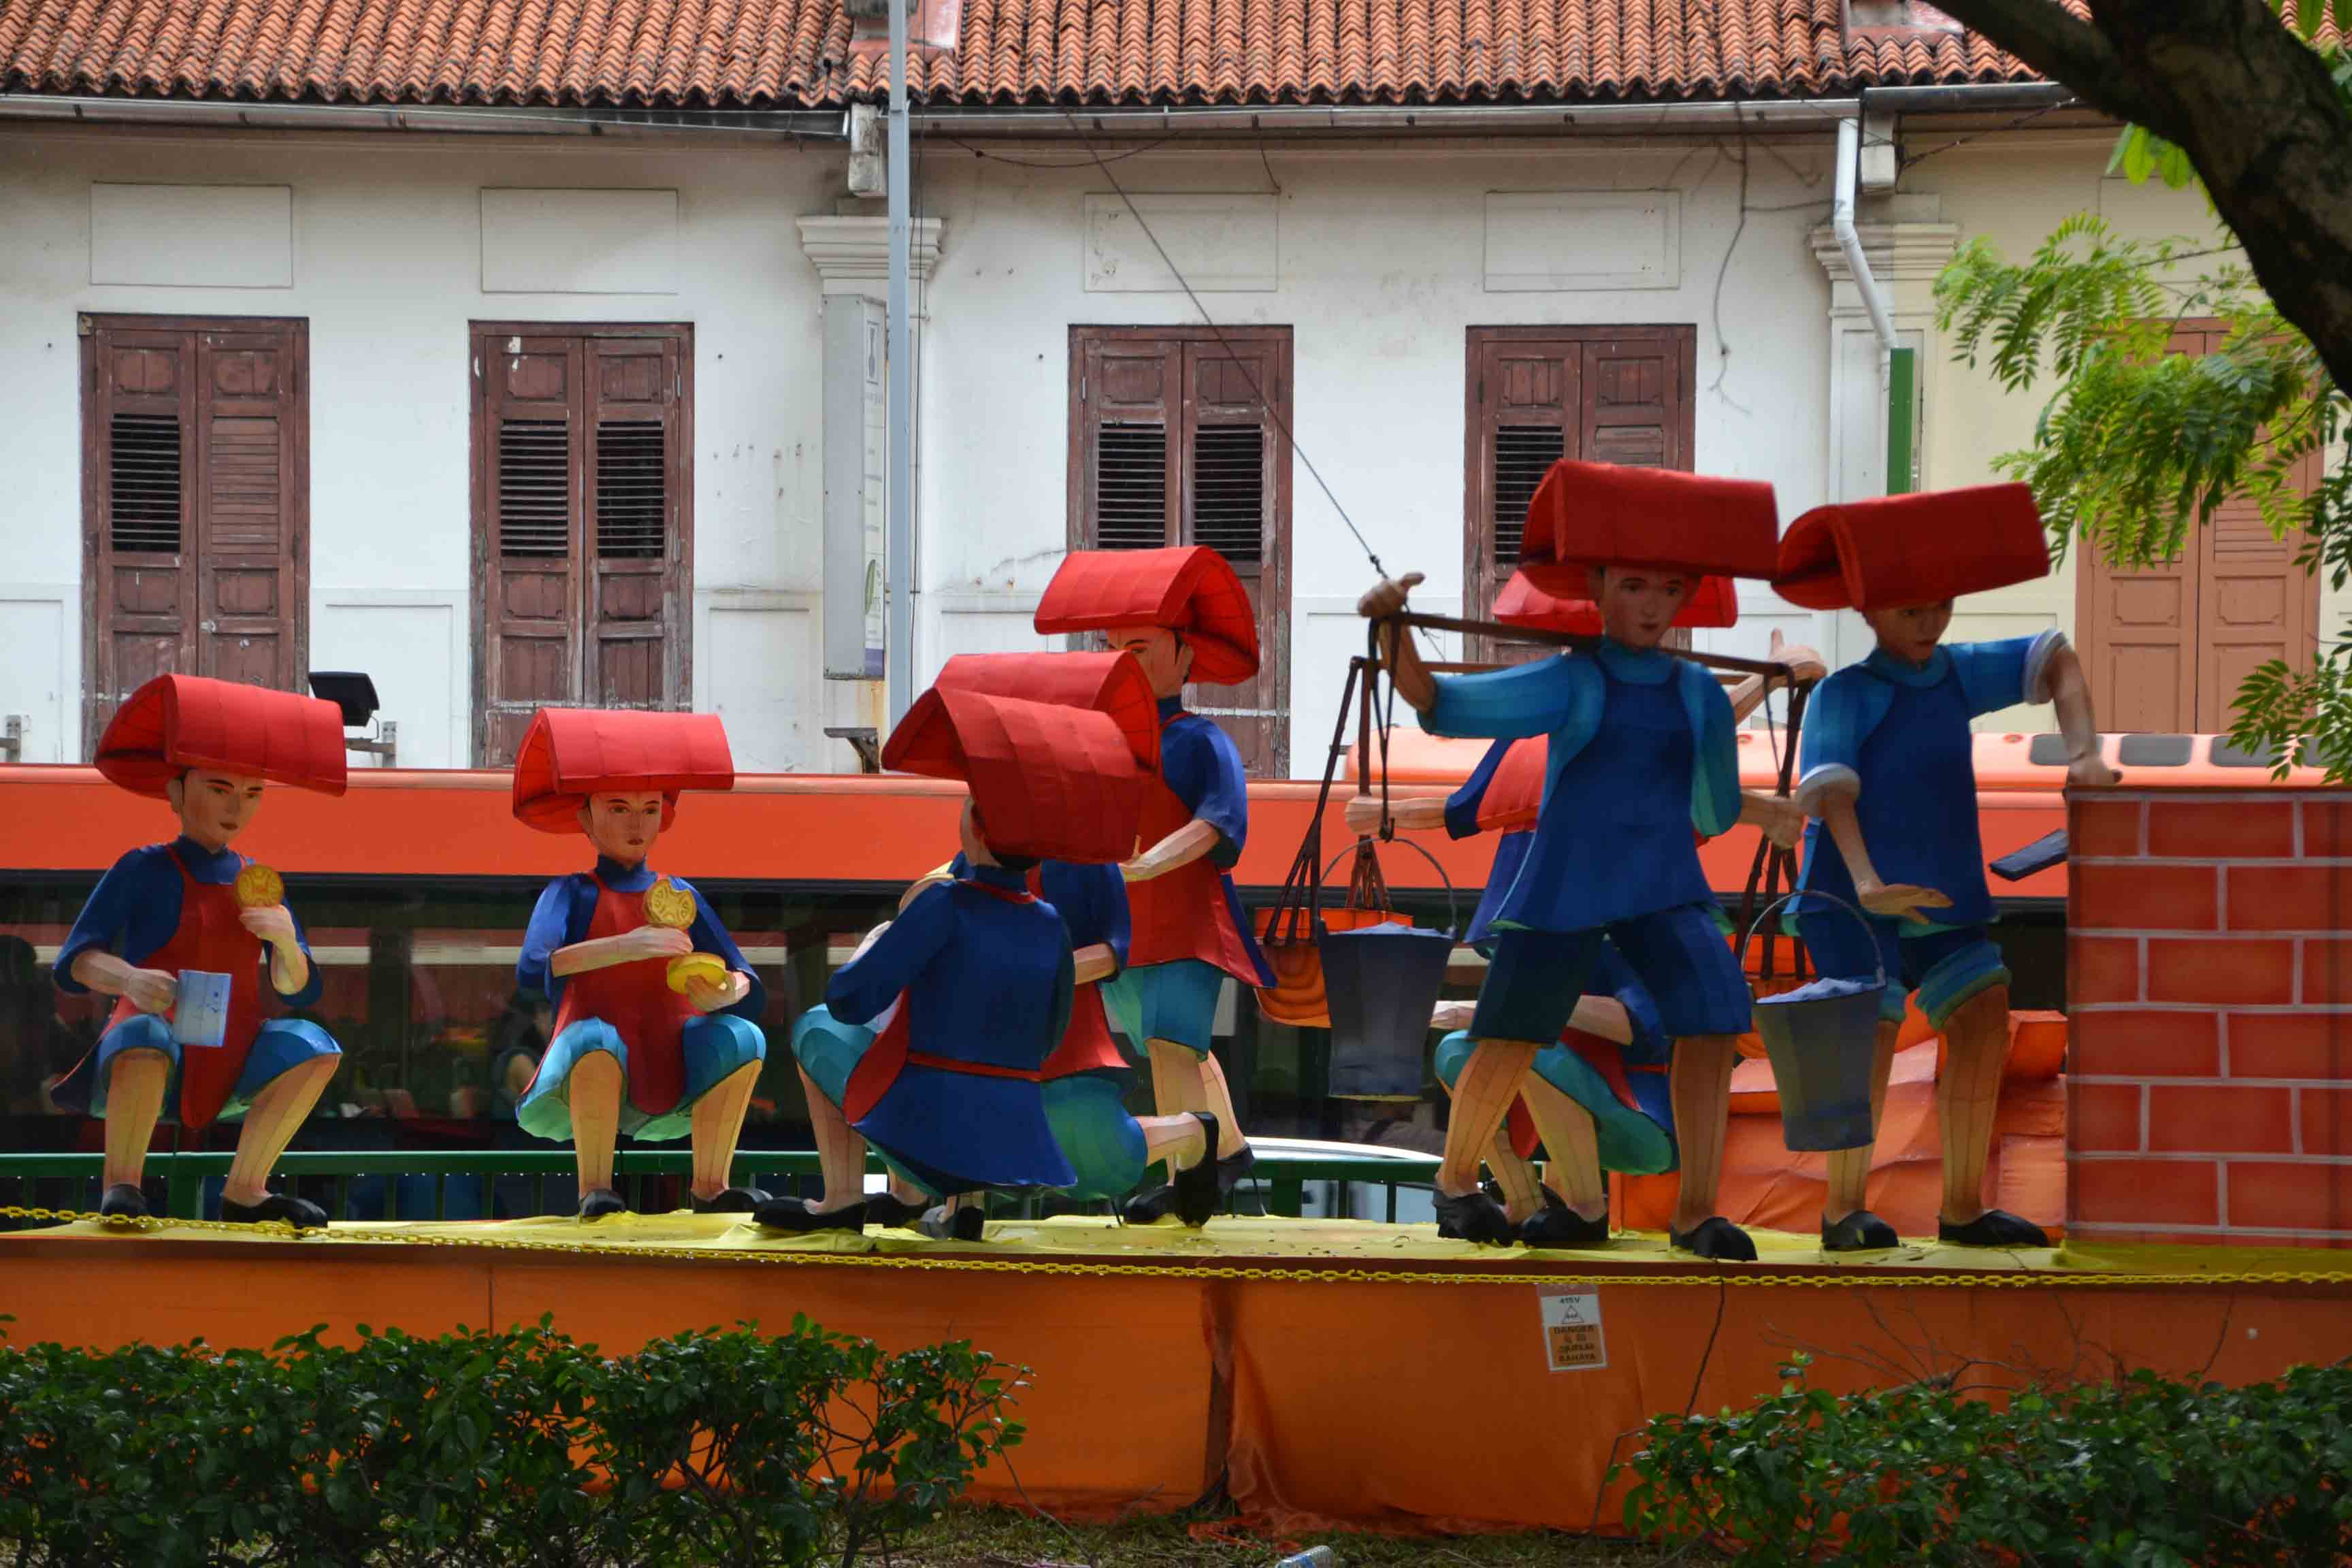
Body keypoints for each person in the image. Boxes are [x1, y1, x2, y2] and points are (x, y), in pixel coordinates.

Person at [1358, 460, 1782, 1256]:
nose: (1650, 605)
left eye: (1667, 589)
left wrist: (1756, 803)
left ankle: (1696, 1211)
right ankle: (1456, 1183)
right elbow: (1441, 706)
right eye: (1633, 586)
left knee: (1717, 1011)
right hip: (1567, 885)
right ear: (1598, 587)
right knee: (1511, 1028)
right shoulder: (1573, 681)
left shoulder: (1698, 693)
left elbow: (1713, 812)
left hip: (1663, 885)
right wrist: (1394, 630)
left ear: (1687, 594)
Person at [1776, 483, 2119, 1250]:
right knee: (1866, 1031)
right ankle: (1843, 1211)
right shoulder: (1846, 692)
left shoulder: (1956, 674)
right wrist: (1868, 885)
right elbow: (1831, 794)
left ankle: (1963, 1208)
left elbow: (2055, 656)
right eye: (1910, 611)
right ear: (1869, 612)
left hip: (1940, 890)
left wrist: (2085, 753)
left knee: (1983, 1015)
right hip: (1852, 895)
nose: (1929, 623)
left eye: (1940, 606)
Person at [760, 679, 1215, 1238]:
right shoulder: (1046, 924)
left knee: (817, 1030)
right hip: (1019, 1129)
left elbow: (849, 1000)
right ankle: (955, 1204)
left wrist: (891, 947)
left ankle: (844, 1198)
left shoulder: (947, 902)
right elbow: (1042, 1035)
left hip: (955, 1124)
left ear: (976, 824)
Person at [902, 652, 1222, 1224]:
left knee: (1103, 1152)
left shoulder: (1086, 855)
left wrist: (1045, 970)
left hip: (1067, 1041)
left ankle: (1191, 1133)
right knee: (956, 1101)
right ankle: (959, 1206)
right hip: (991, 1040)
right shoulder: (976, 855)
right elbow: (937, 901)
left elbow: (1114, 949)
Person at [52, 674, 348, 1226]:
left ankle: (247, 1189)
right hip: (154, 1033)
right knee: (143, 1034)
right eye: (219, 789)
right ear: (176, 793)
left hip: (234, 1043)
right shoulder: (142, 867)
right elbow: (76, 961)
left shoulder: (259, 880)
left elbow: (297, 988)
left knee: (316, 1047)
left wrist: (285, 940)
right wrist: (130, 980)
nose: (236, 808)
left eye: (253, 794)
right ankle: (123, 1184)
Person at [1032, 546, 1271, 1220]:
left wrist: (1148, 863)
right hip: (1124, 927)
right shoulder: (1102, 742)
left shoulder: (1202, 740)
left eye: (1138, 648)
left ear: (1184, 654)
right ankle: (1227, 1151)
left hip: (1187, 922)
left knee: (1171, 1044)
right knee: (1173, 1045)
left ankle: (1188, 1180)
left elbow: (1220, 823)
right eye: (1112, 650)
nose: (1122, 663)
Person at [511, 709, 768, 1219]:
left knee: (744, 1037)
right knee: (594, 1040)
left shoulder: (681, 895)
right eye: (619, 808)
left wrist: (727, 991)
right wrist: (628, 945)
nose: (636, 824)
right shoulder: (571, 892)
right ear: (586, 818)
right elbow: (533, 968)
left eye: (649, 809)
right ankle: (595, 1188)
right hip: (594, 1056)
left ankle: (711, 1187)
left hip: (672, 1056)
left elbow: (745, 976)